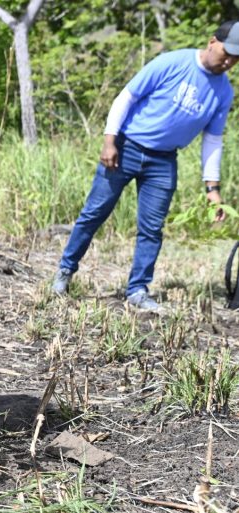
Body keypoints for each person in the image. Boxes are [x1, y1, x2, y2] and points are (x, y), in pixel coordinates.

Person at [51, 22, 239, 312]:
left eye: (236, 58)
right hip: (125, 149)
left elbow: (213, 141)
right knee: (94, 213)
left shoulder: (223, 92)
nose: (228, 61)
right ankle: (64, 272)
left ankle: (137, 290)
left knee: (152, 228)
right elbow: (126, 98)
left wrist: (212, 189)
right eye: (227, 53)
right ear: (213, 41)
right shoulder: (172, 62)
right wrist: (109, 142)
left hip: (163, 161)